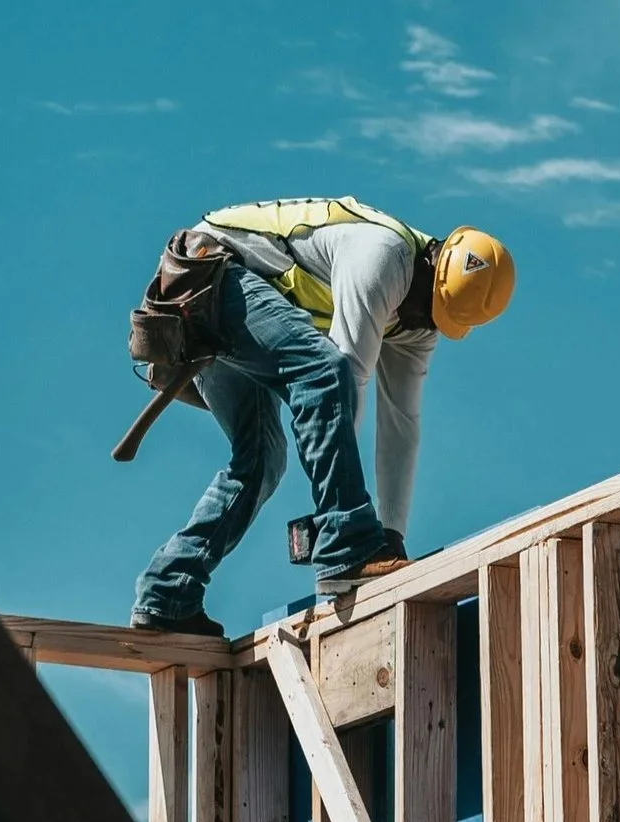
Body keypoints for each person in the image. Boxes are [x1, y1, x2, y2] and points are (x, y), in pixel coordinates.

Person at [128, 196, 514, 636]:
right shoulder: (383, 256)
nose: (419, 322)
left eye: (434, 318)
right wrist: (349, 533)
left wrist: (392, 535)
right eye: (426, 307)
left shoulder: (418, 322)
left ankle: (168, 592)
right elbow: (344, 376)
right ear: (432, 263)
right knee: (324, 370)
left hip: (229, 303)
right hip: (207, 275)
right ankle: (346, 541)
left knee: (261, 461)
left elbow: (401, 425)